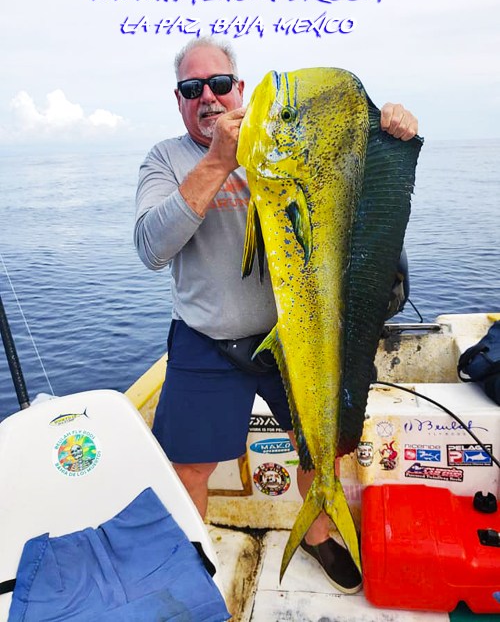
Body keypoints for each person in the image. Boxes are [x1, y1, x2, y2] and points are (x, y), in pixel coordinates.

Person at [134, 37, 418, 595]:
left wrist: (387, 132)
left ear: (240, 88)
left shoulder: (289, 145)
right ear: (179, 98)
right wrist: (219, 160)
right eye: (193, 88)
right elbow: (151, 247)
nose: (208, 97)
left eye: (220, 84)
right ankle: (189, 564)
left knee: (320, 445)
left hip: (295, 337)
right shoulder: (164, 159)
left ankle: (317, 534)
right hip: (207, 339)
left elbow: (353, 190)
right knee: (188, 467)